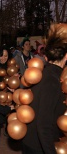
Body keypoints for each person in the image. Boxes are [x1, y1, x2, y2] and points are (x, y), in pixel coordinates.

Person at [22, 23, 67, 154]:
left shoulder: (41, 74)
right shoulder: (53, 82)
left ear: (46, 57)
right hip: (38, 146)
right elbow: (43, 125)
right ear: (66, 57)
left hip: (30, 140)